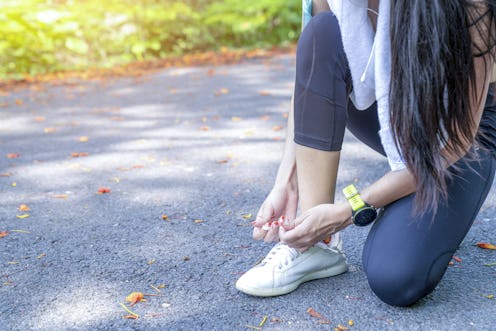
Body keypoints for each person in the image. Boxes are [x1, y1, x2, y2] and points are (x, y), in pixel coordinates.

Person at [235, 0, 496, 307]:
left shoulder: (472, 6)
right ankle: (314, 245)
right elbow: (313, 74)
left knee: (396, 278)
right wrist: (286, 182)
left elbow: (454, 142)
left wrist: (348, 211)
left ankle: (411, 206)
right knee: (324, 32)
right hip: (394, 109)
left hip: (461, 142)